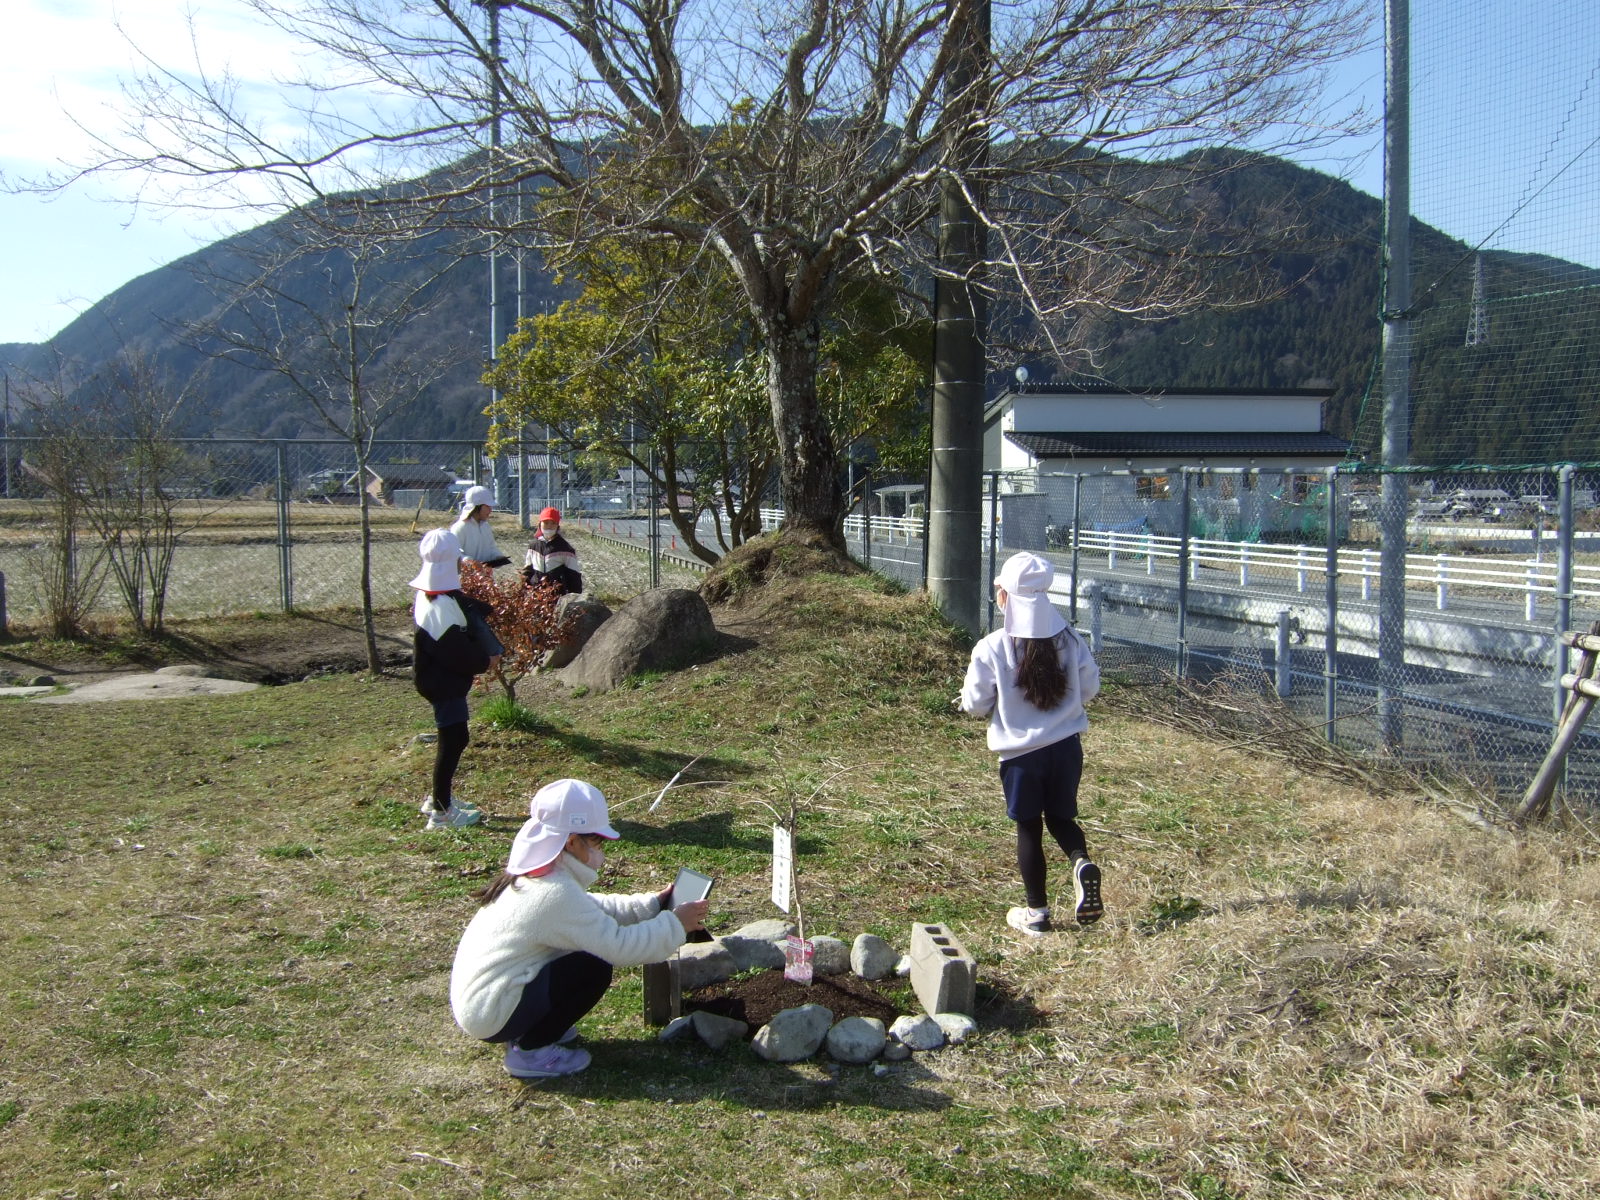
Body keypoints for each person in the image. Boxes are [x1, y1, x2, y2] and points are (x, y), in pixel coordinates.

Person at [449, 779, 711, 1079]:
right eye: (597, 842)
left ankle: (534, 1027)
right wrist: (676, 924)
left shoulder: (538, 877)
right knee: (593, 967)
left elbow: (591, 909)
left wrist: (652, 904)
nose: (601, 852)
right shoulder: (553, 893)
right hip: (492, 1012)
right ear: (572, 841)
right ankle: (530, 1052)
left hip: (486, 1003)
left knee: (582, 960)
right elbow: (620, 946)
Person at [959, 551, 1103, 935]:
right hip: (1067, 748)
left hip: (1020, 757)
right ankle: (1080, 861)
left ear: (1004, 595)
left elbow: (975, 705)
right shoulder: (1070, 639)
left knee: (1028, 828)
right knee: (1061, 818)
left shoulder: (992, 646)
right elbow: (1090, 688)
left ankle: (1037, 914)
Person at [411, 528, 498, 831]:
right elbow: (457, 653)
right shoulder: (440, 607)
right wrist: (485, 661)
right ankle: (441, 811)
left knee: (454, 738)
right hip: (443, 684)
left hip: (440, 680)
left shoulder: (432, 595)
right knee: (454, 739)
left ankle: (439, 798)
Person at [522, 506, 584, 595]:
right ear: (540, 524)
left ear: (557, 526)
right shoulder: (533, 546)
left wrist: (574, 597)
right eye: (546, 523)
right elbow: (527, 571)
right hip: (535, 593)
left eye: (553, 523)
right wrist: (523, 590)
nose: (549, 526)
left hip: (557, 594)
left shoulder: (566, 549)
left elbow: (574, 576)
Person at [450, 485, 512, 569]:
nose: (490, 510)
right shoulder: (460, 527)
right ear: (477, 507)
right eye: (487, 506)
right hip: (467, 575)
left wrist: (498, 557)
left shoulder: (485, 526)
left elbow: (491, 548)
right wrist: (469, 562)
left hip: (484, 575)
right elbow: (453, 554)